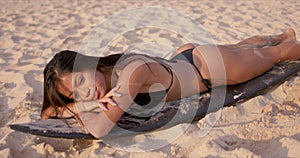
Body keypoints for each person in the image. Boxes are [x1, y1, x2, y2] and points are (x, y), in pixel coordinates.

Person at [41, 28, 300, 138]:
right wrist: (87, 104)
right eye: (76, 93)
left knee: (274, 55)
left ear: (89, 63)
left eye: (82, 79)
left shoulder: (130, 75)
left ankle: (286, 40)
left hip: (210, 69)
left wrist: (84, 108)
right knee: (240, 48)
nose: (86, 91)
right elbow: (48, 113)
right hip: (182, 60)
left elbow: (98, 129)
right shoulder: (106, 76)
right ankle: (280, 34)